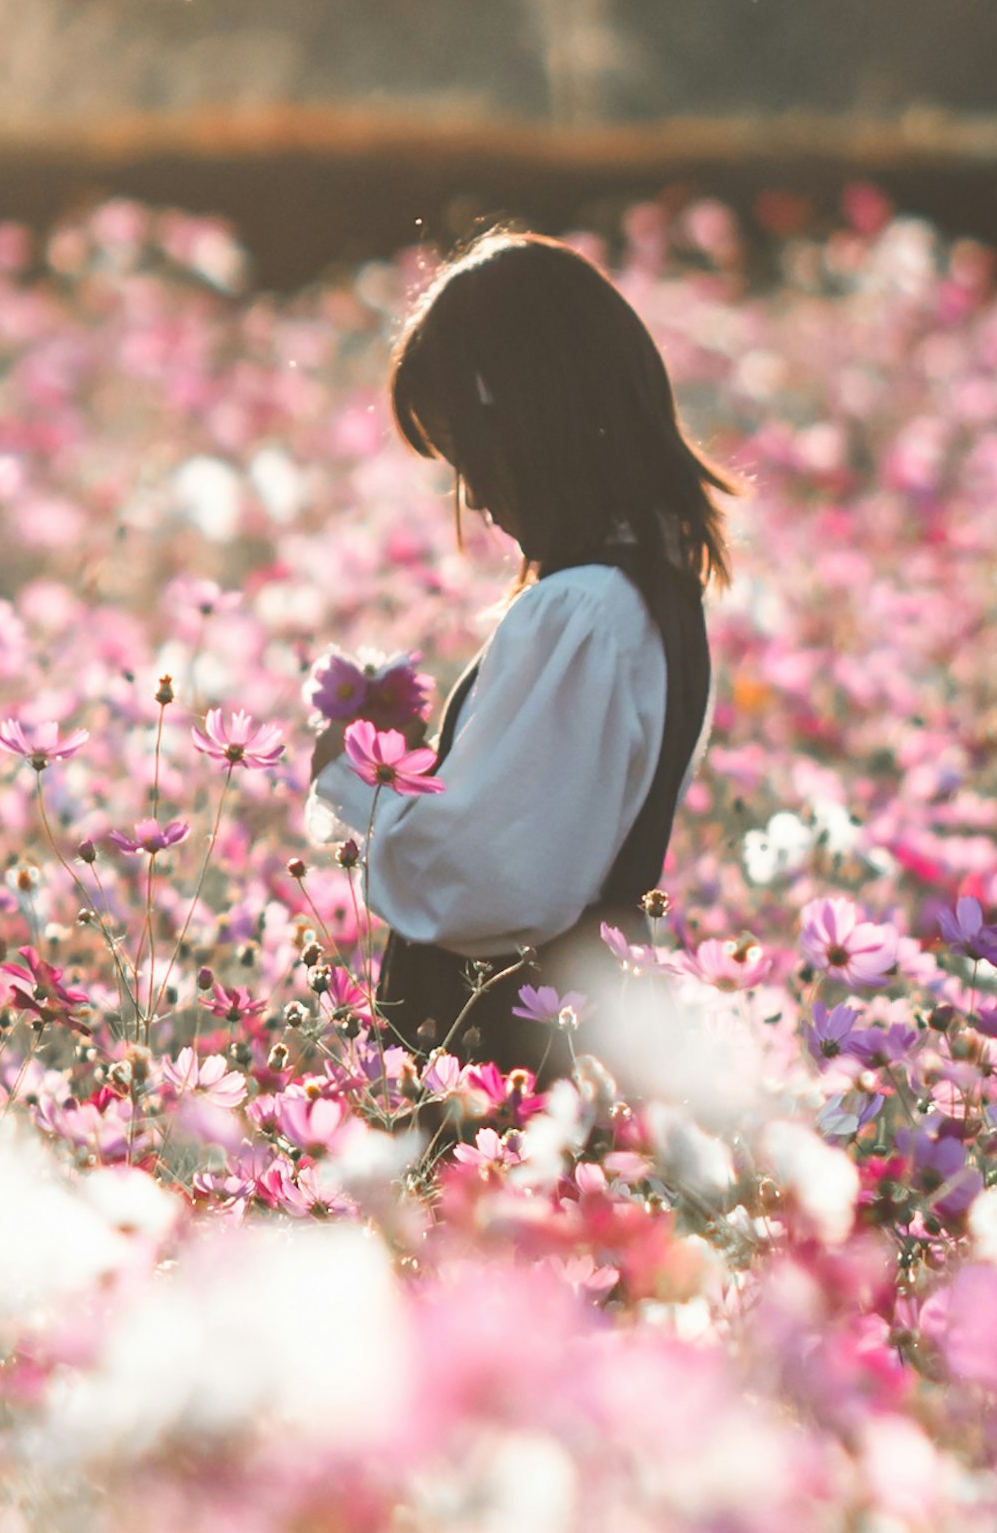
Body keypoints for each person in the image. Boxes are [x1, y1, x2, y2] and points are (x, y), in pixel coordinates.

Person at [313, 231, 735, 1070]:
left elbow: (491, 884)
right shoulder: (653, 592)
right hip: (591, 1029)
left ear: (541, 425)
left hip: (509, 1050)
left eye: (471, 455)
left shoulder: (576, 612)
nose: (470, 493)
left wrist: (362, 776)